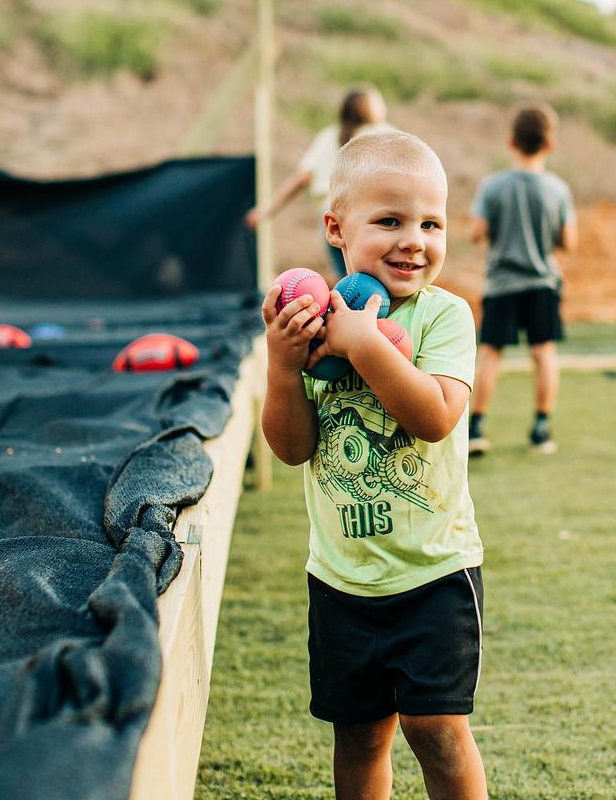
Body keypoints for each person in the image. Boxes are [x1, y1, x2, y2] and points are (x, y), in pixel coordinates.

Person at [260, 130, 487, 800]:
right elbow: (291, 447)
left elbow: (436, 417)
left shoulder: (446, 316)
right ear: (337, 227)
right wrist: (282, 365)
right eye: (389, 220)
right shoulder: (312, 320)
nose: (413, 240)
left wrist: (364, 346)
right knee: (359, 736)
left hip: (435, 571)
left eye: (431, 223)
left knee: (435, 728)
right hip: (342, 578)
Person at [467, 100, 578, 456]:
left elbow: (476, 231)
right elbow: (568, 242)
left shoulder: (492, 186)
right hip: (543, 283)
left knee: (491, 352)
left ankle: (476, 427)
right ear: (551, 144)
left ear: (511, 141)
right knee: (543, 352)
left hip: (501, 283)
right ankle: (541, 427)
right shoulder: (558, 190)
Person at [245, 85, 390, 279]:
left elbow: (301, 179)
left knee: (347, 279)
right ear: (369, 109)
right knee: (380, 278)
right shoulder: (385, 135)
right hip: (368, 216)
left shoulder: (328, 136)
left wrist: (265, 211)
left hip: (331, 218)